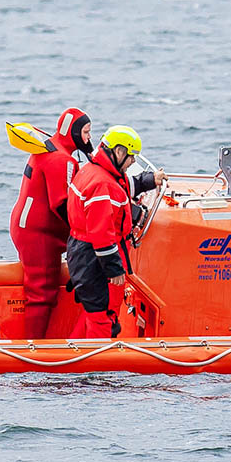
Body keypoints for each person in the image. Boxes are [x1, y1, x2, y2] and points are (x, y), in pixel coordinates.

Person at [65, 125, 162, 339]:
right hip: (94, 259)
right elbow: (102, 235)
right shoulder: (102, 184)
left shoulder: (94, 171)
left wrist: (150, 180)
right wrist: (114, 270)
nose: (133, 162)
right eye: (131, 156)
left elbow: (124, 185)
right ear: (119, 152)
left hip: (82, 253)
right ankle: (96, 368)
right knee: (103, 317)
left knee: (94, 313)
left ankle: (72, 356)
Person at [9, 107, 92, 339]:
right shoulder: (61, 159)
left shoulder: (47, 145)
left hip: (28, 226)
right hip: (38, 233)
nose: (88, 139)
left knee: (42, 287)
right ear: (74, 133)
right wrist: (84, 233)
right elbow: (61, 204)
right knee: (41, 291)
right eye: (86, 132)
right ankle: (34, 349)